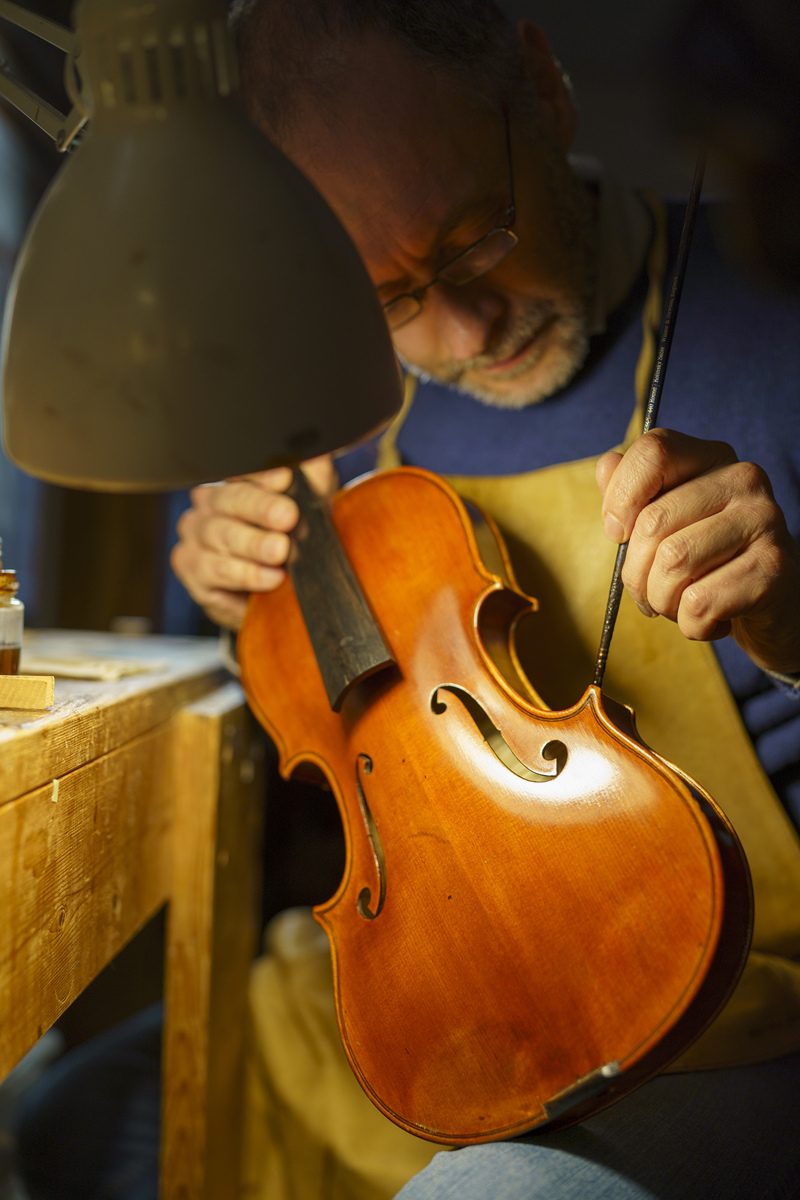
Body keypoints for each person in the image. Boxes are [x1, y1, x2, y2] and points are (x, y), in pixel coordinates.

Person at [18, 2, 800, 1197]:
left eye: (473, 239)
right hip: (420, 977)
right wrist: (253, 607)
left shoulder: (772, 297)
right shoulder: (315, 390)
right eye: (381, 297)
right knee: (61, 1123)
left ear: (542, 86)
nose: (462, 324)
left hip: (733, 1001)